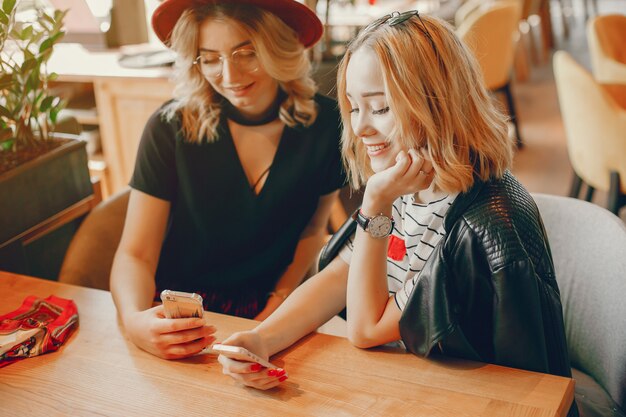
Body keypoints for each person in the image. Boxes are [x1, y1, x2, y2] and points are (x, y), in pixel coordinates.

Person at [217, 10, 574, 401]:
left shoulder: (470, 223)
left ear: (439, 103)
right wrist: (262, 337)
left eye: (381, 108)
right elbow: (339, 277)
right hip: (424, 383)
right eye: (354, 106)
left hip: (481, 400)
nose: (360, 126)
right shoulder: (410, 176)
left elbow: (366, 329)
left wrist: (375, 206)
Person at [110, 0, 345, 360]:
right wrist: (134, 320)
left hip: (275, 314)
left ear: (278, 47)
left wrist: (278, 304)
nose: (230, 76)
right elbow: (136, 254)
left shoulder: (327, 125)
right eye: (209, 58)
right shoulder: (170, 128)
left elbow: (312, 231)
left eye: (246, 53)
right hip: (178, 316)